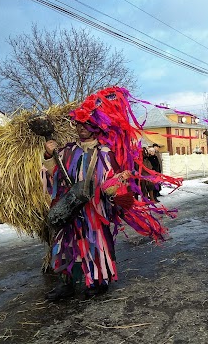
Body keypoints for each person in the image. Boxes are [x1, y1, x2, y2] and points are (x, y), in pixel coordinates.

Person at [42, 120, 132, 301]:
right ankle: (67, 283)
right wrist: (49, 155)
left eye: (87, 124)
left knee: (96, 243)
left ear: (97, 127)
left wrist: (117, 182)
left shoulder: (105, 154)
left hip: (94, 210)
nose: (81, 128)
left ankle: (99, 280)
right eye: (78, 125)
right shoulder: (67, 151)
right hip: (70, 207)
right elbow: (54, 174)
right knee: (66, 244)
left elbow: (113, 184)